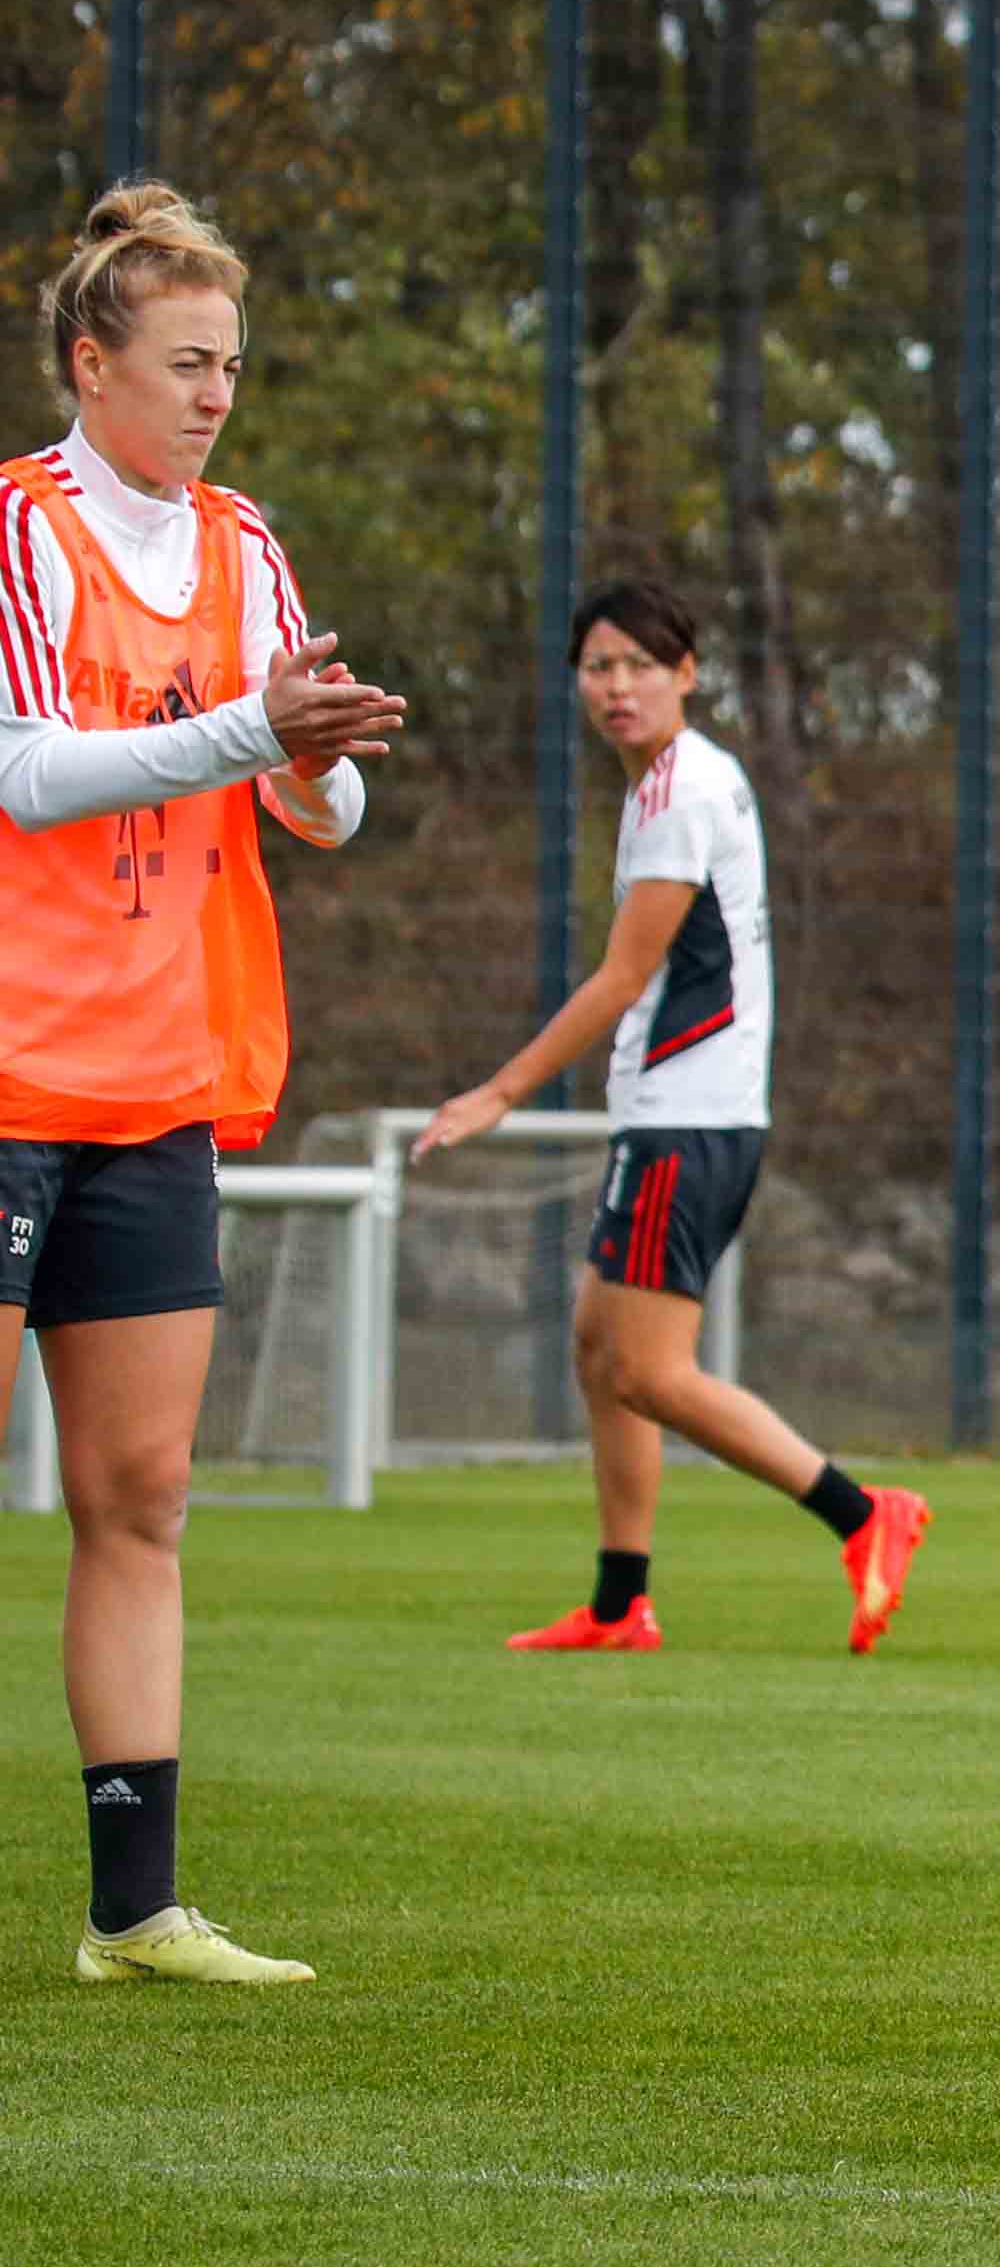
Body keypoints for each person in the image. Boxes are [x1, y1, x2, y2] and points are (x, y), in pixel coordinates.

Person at [3, 181, 402, 1982]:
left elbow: (313, 796)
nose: (215, 392)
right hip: (8, 1065)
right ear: (91, 364)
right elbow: (25, 772)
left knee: (142, 1490)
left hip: (155, 1077)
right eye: (183, 360)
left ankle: (133, 1905)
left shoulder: (245, 543)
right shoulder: (18, 527)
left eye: (231, 361)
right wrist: (254, 731)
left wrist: (315, 768)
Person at [415, 582, 930, 1656]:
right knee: (600, 1346)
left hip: (689, 1123)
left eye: (640, 664)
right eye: (597, 666)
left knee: (649, 1369)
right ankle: (619, 1603)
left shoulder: (681, 791)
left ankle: (861, 1511)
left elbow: (621, 977)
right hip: (682, 1117)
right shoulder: (676, 783)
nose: (617, 686)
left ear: (687, 672)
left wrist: (500, 1091)